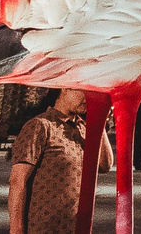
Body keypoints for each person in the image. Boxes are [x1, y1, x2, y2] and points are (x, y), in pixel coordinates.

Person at [9, 88, 89, 234]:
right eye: (83, 91)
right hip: (44, 225)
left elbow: (104, 165)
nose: (88, 97)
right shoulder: (40, 125)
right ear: (65, 88)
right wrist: (16, 228)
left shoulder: (82, 128)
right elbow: (18, 180)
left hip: (75, 225)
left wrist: (98, 122)